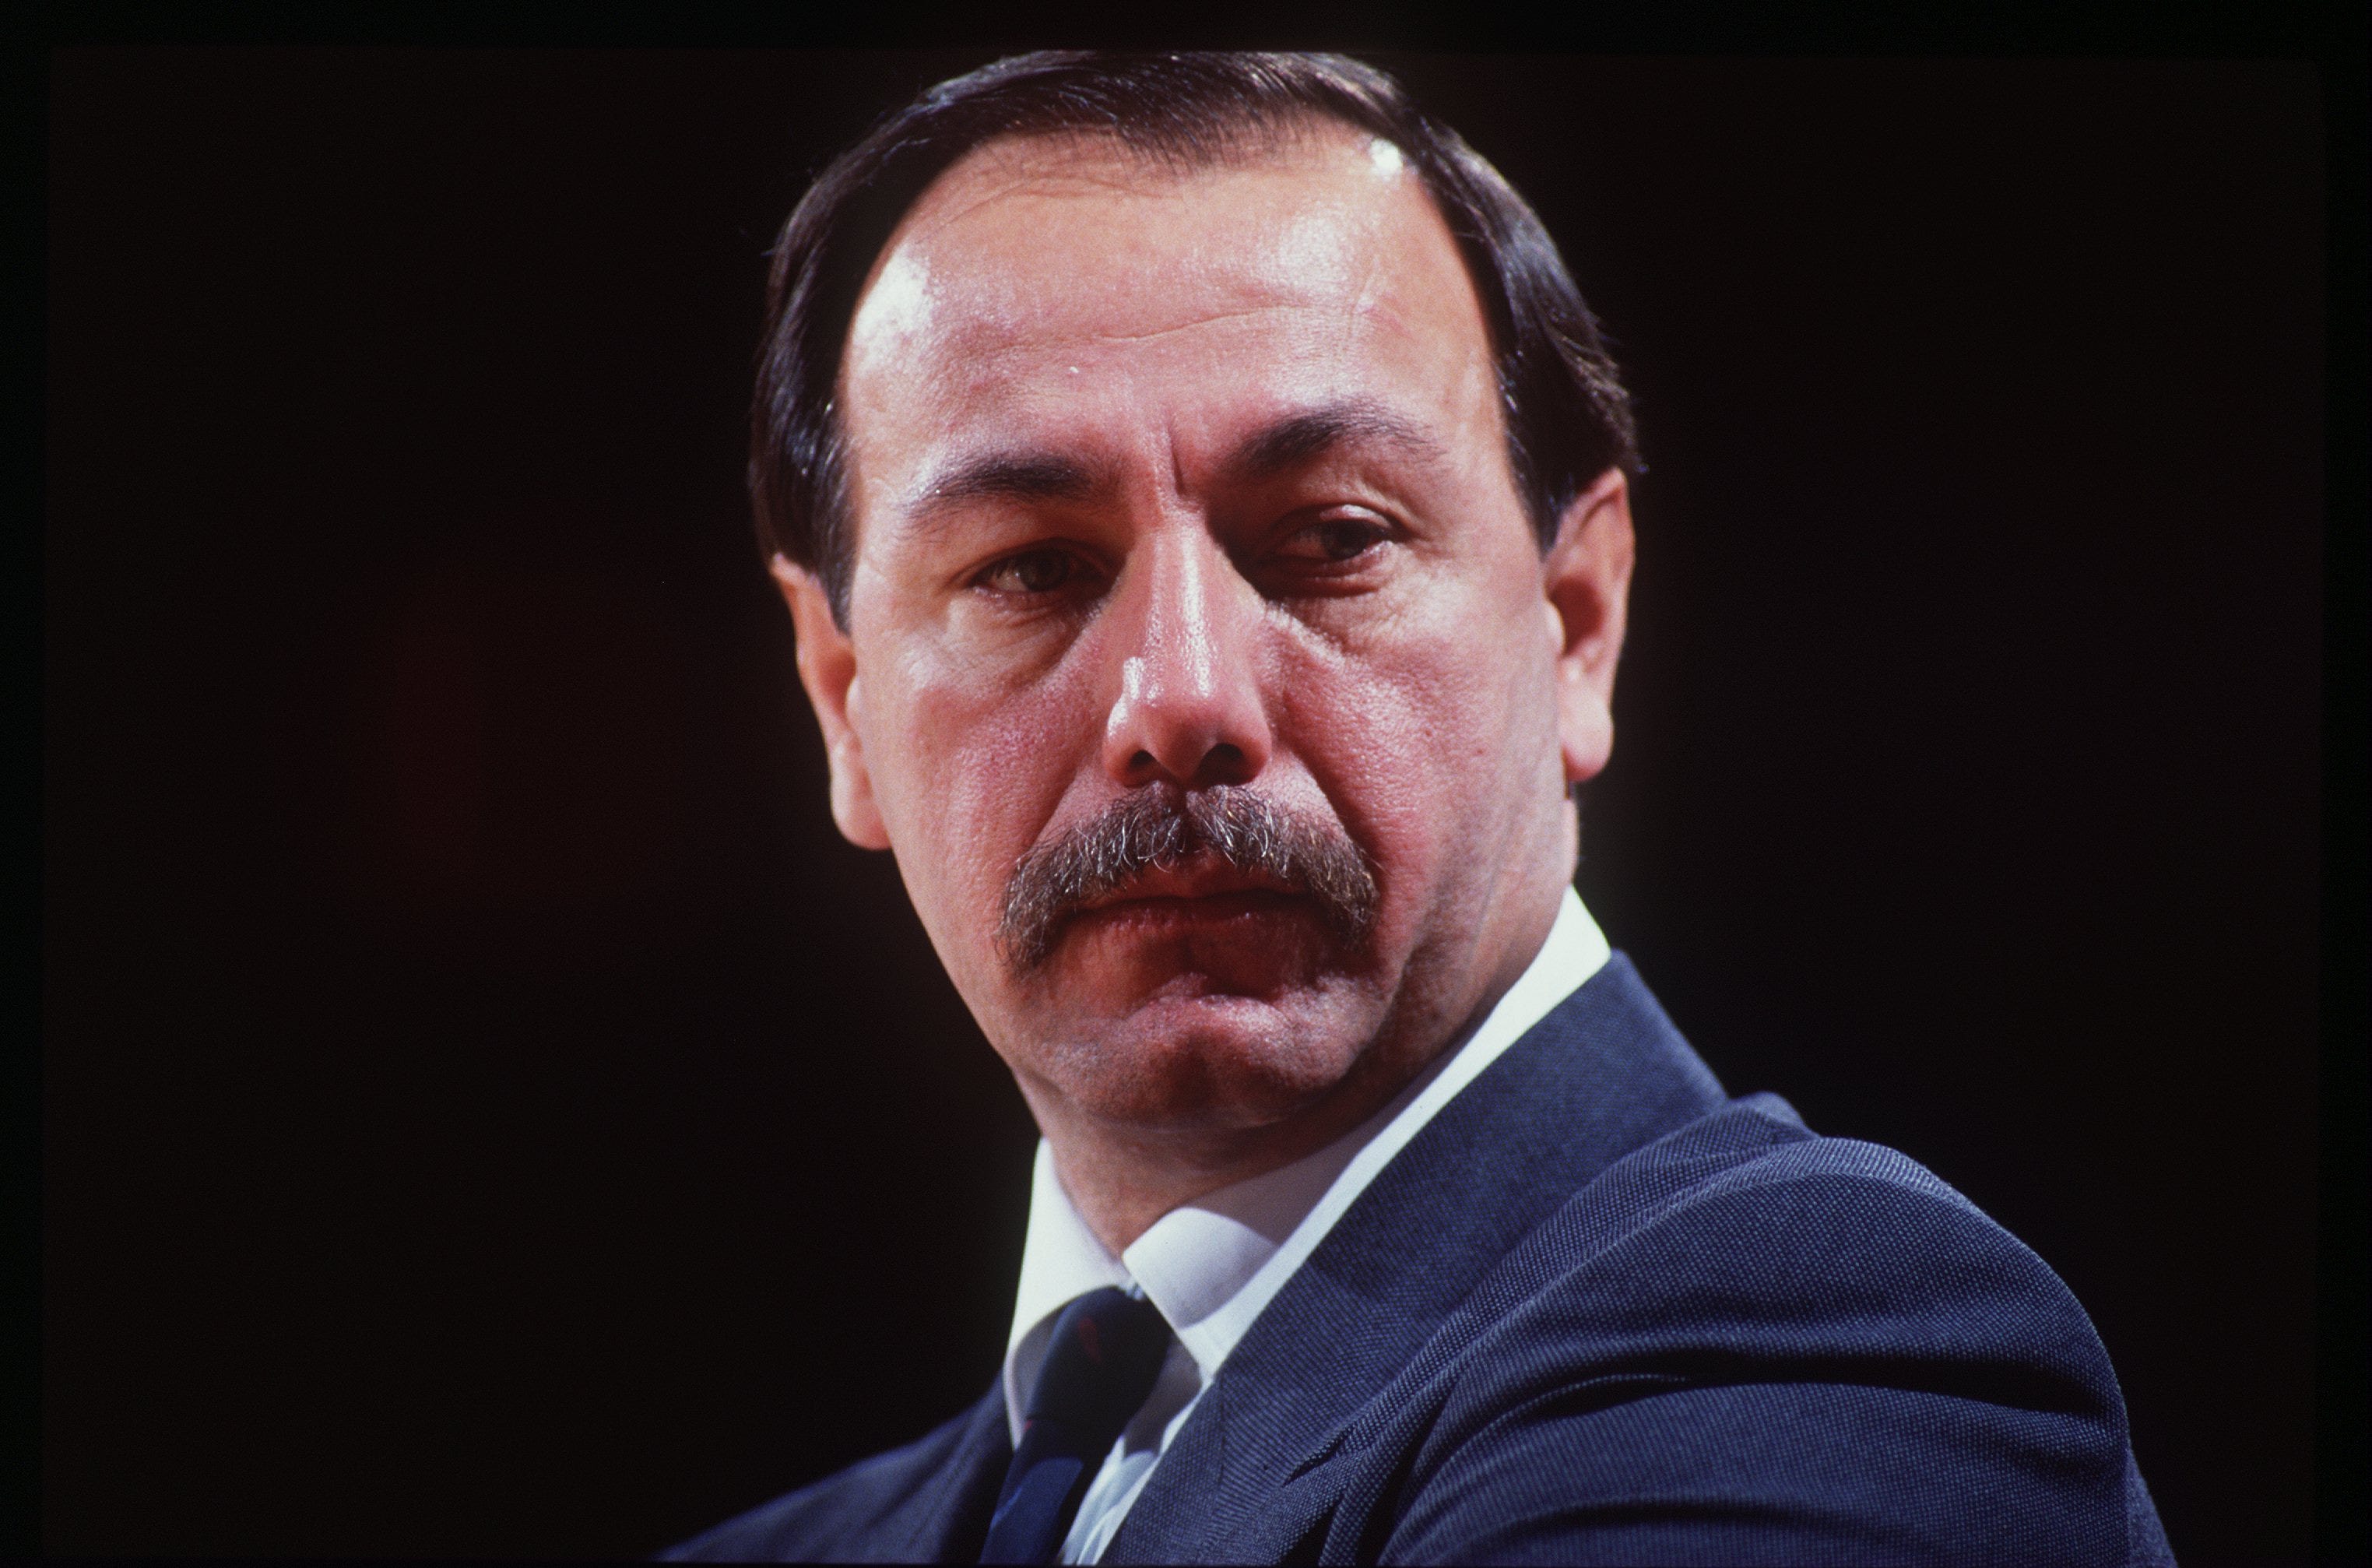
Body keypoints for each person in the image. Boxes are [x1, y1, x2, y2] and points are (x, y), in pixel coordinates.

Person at [670, 51, 2172, 1566]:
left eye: (1331, 536)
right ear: (840, 700)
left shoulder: (1832, 1339)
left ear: (1578, 622)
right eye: (1029, 568)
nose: (1182, 700)